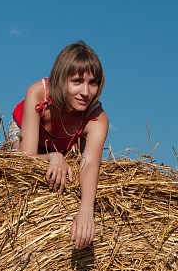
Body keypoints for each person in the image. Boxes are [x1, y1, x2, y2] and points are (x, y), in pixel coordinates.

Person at [10, 41, 109, 250]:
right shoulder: (38, 93)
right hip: (28, 131)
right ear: (61, 78)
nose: (85, 92)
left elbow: (90, 163)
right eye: (77, 81)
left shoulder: (97, 119)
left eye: (93, 83)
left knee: (78, 176)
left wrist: (86, 210)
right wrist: (53, 156)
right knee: (15, 170)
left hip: (67, 141)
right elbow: (25, 157)